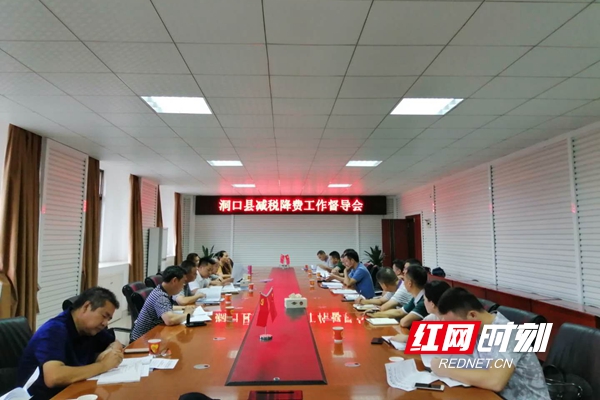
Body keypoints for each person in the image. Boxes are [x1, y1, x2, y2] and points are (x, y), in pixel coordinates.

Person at [431, 288, 550, 400]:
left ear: (472, 315)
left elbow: (495, 382)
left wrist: (446, 370)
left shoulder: (506, 332)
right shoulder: (478, 329)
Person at [17, 287, 124, 399]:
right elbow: (54, 377)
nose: (105, 323)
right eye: (104, 316)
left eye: (108, 319)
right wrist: (103, 365)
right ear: (86, 307)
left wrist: (108, 352)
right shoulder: (54, 330)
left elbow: (115, 343)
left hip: (74, 391)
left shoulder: (91, 329)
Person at [131, 266, 196, 341]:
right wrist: (187, 314)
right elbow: (170, 320)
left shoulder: (161, 290)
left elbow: (167, 307)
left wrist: (184, 308)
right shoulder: (160, 296)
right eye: (183, 282)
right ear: (174, 280)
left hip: (154, 335)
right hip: (141, 340)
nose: (184, 285)